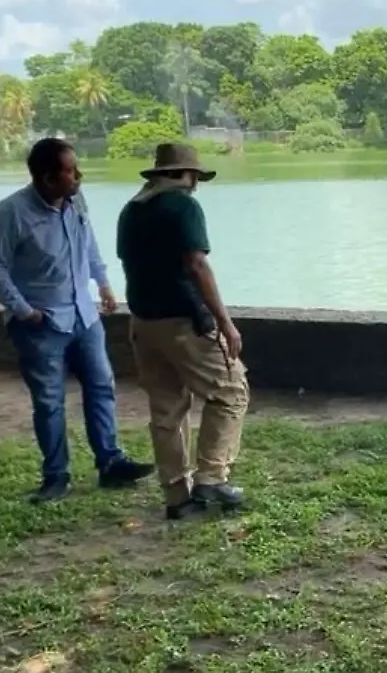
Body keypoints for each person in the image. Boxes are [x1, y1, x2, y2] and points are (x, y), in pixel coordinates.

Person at [0, 138, 154, 503]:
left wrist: (103, 283)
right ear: (47, 178)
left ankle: (111, 463)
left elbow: (87, 244)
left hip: (84, 315)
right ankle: (56, 476)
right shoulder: (12, 212)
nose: (78, 177)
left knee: (102, 387)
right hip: (40, 325)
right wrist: (24, 310)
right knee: (49, 402)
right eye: (70, 171)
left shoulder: (76, 201)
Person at [116, 143, 249, 520]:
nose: (196, 185)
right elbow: (197, 264)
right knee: (231, 390)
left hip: (142, 320)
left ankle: (177, 499)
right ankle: (212, 477)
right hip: (183, 319)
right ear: (185, 175)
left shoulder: (131, 209)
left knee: (166, 410)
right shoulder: (183, 206)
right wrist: (225, 322)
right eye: (195, 177)